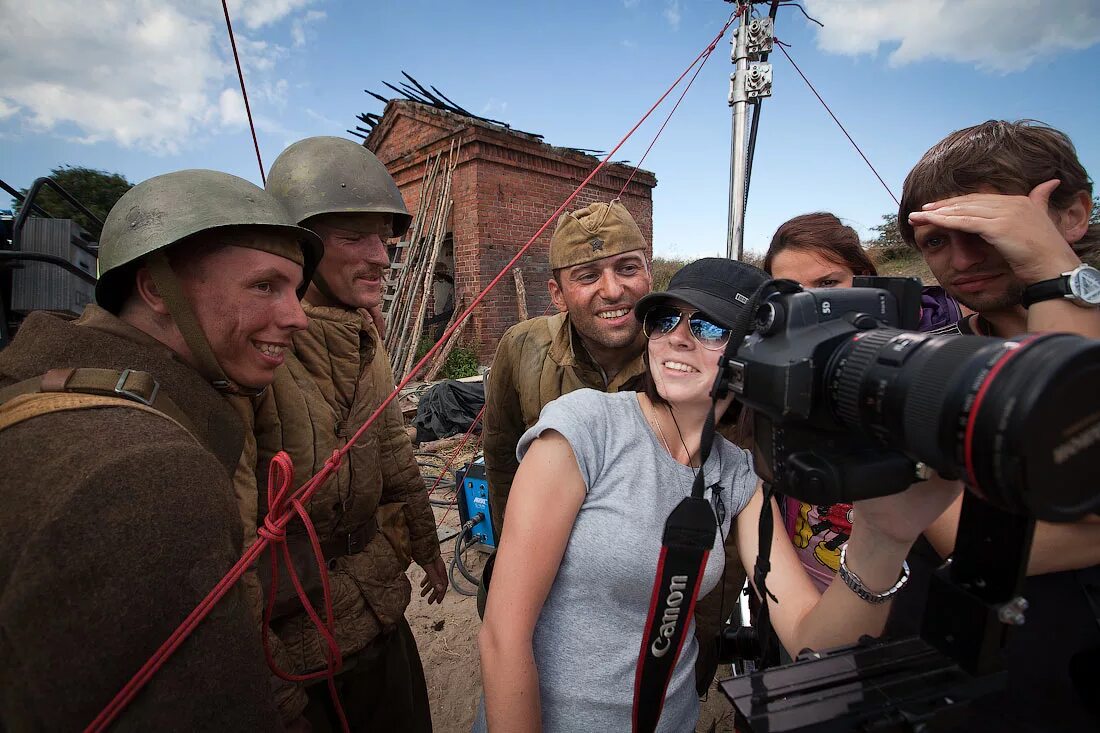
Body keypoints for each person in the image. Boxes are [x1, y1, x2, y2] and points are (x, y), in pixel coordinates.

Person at [476, 257, 962, 732]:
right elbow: (504, 635)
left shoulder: (739, 477)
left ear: (754, 354)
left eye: (711, 327)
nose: (679, 337)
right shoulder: (586, 427)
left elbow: (812, 639)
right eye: (666, 319)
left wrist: (883, 541)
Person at [0, 170, 321, 729]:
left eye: (295, 290)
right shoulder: (145, 471)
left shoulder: (44, 391)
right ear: (155, 290)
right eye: (265, 285)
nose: (297, 315)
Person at [481, 200, 744, 694]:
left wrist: (703, 632)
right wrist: (510, 565)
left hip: (666, 589)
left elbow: (728, 510)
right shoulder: (521, 348)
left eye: (628, 268)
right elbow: (500, 464)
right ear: (557, 293)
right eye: (588, 275)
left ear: (650, 274)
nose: (613, 290)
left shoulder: (694, 363)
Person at [233, 135, 445, 732]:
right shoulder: (252, 355)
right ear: (295, 248)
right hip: (295, 644)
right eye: (354, 238)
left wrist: (427, 549)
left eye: (385, 237)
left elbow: (393, 450)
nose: (381, 256)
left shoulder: (362, 337)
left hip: (376, 612)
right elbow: (228, 549)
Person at [897, 119, 1100, 731]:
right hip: (1002, 689)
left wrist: (1052, 273)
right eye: (934, 242)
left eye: (983, 231)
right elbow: (967, 542)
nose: (958, 261)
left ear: (1072, 215)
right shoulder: (926, 369)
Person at [762, 212, 964, 590]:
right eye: (790, 292)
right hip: (801, 585)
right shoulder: (775, 364)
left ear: (869, 282)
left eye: (829, 283)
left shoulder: (927, 363)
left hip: (899, 597)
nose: (812, 305)